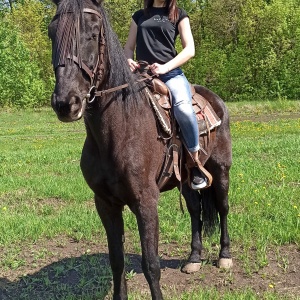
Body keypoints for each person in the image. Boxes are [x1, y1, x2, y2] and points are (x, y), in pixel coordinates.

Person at [124, 0, 209, 189]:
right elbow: (129, 47)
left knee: (184, 110)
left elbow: (190, 49)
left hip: (170, 74)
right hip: (140, 75)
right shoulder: (139, 15)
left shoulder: (179, 14)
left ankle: (195, 163)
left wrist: (165, 67)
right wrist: (128, 60)